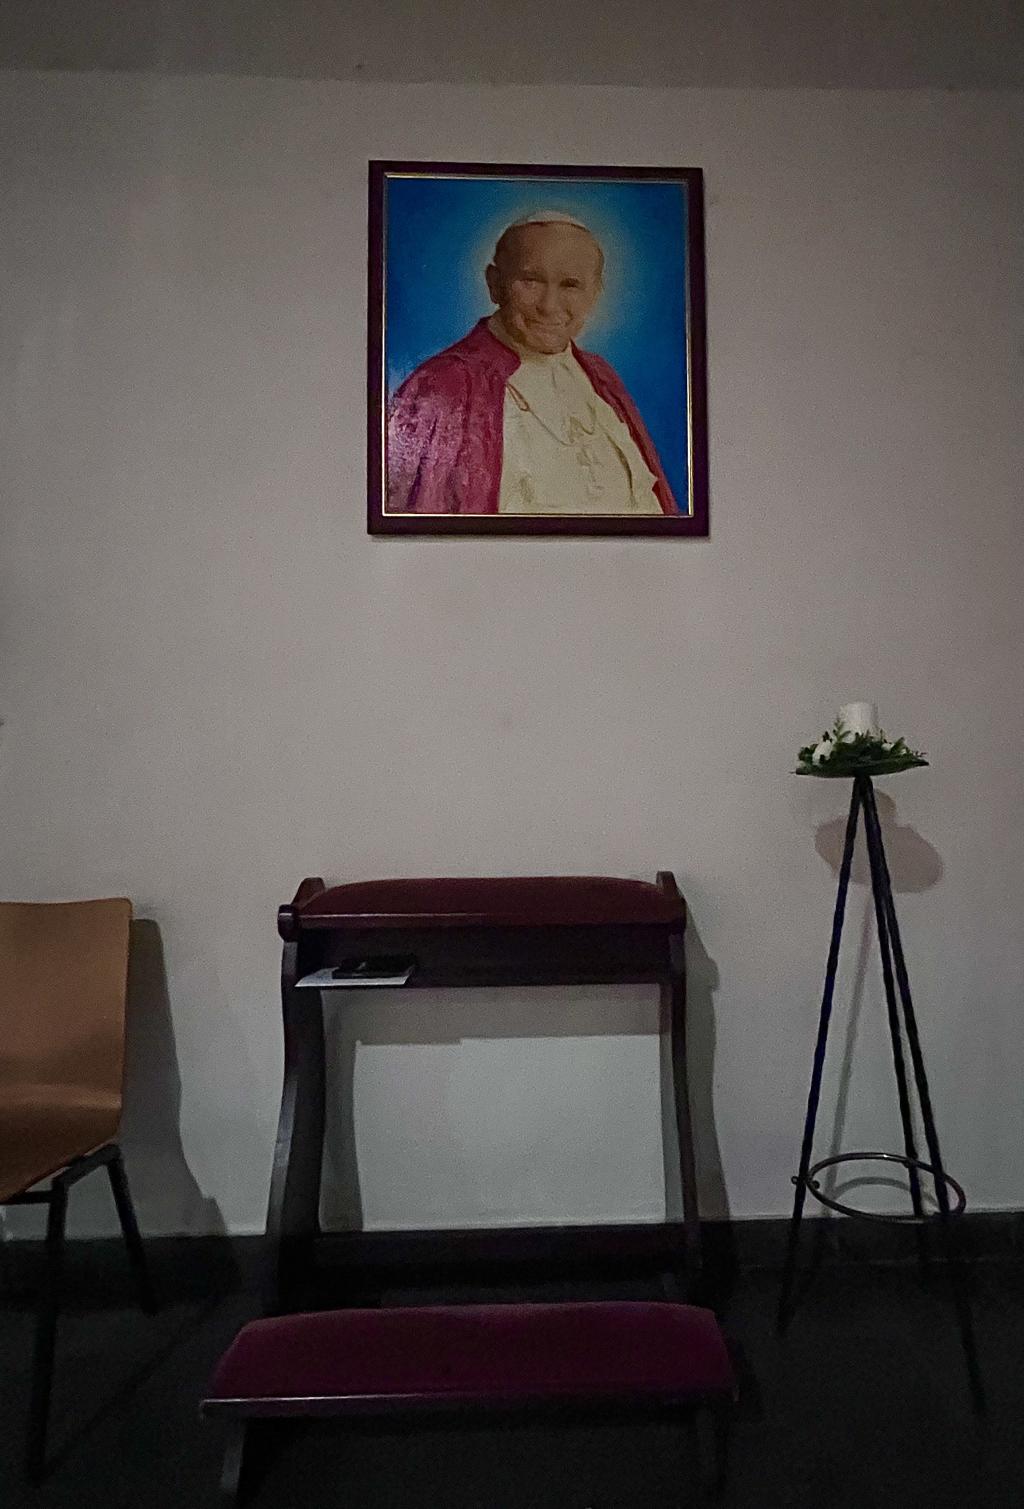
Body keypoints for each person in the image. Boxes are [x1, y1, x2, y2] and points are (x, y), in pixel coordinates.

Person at [386, 213, 679, 516]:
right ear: (495, 284)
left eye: (570, 285)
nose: (549, 306)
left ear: (595, 292)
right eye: (531, 281)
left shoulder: (601, 376)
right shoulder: (444, 384)